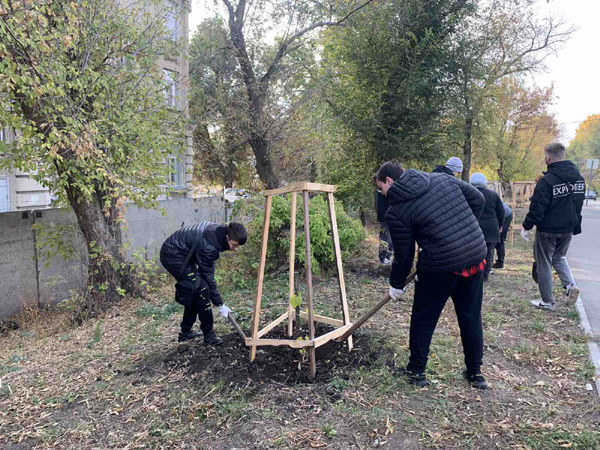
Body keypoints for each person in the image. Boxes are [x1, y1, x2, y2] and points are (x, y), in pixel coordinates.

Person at [375, 161, 489, 389]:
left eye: (381, 188)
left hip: (441, 266)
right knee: (470, 316)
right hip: (475, 255)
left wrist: (396, 284)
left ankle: (417, 372)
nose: (382, 193)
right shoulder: (442, 179)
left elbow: (404, 256)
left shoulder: (397, 211)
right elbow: (478, 199)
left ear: (389, 180)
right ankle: (475, 374)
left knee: (423, 319)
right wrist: (463, 230)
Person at [521, 142, 585, 311]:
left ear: (548, 157)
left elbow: (537, 206)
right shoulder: (579, 179)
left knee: (544, 263)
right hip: (568, 228)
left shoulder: (547, 180)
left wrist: (527, 226)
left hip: (548, 229)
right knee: (559, 257)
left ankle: (547, 301)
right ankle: (570, 286)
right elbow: (578, 204)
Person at [160, 221, 247, 344]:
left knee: (195, 289)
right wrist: (220, 304)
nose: (236, 249)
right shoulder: (209, 246)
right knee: (202, 289)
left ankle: (185, 333)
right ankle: (208, 334)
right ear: (227, 237)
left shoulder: (218, 235)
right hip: (172, 255)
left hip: (184, 253)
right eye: (234, 245)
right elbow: (208, 277)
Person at [470, 173, 505, 282]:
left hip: (475, 229)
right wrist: (500, 225)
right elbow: (501, 211)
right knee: (489, 253)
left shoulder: (470, 194)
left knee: (474, 252)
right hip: (491, 229)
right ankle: (485, 275)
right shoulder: (493, 195)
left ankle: (474, 273)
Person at [374, 179, 393, 265]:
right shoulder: (381, 189)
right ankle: (383, 257)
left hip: (391, 217)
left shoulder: (388, 188)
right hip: (385, 217)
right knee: (385, 237)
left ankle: (388, 256)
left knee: (391, 238)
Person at [493, 202, 513, 269]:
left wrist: (500, 226)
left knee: (495, 239)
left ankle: (499, 263)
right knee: (497, 239)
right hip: (505, 213)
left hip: (505, 215)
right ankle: (499, 262)